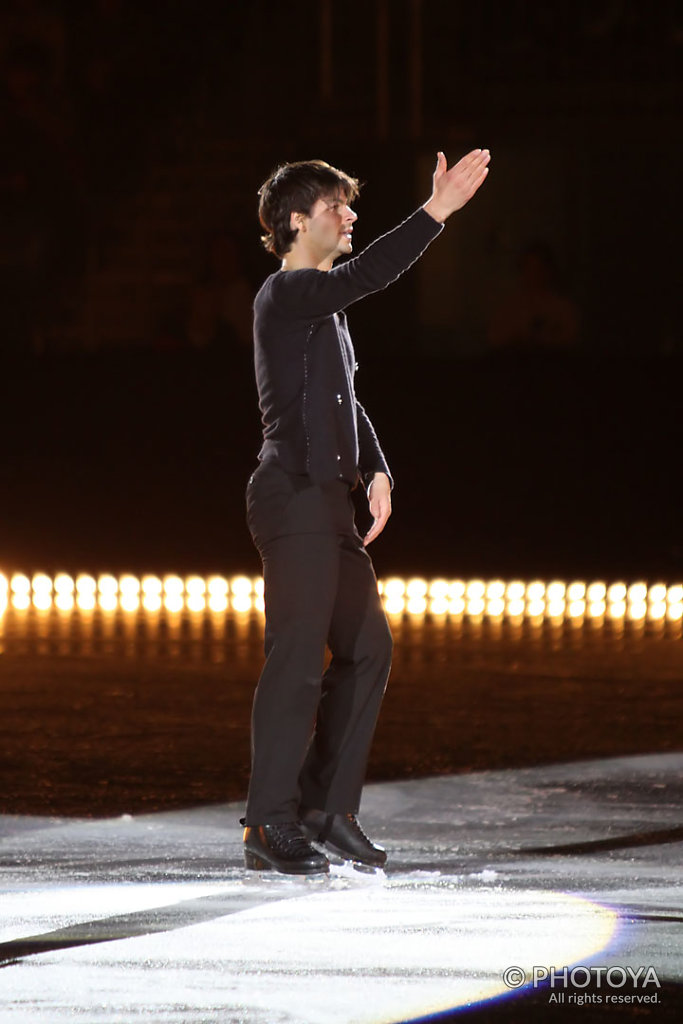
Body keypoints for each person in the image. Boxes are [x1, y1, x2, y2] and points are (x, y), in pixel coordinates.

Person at [242, 148, 491, 874]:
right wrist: (434, 213)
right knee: (295, 657)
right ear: (297, 223)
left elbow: (343, 397)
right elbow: (367, 275)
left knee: (368, 646)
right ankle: (267, 822)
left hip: (327, 499)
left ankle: (325, 809)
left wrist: (374, 464)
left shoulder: (321, 307)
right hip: (291, 496)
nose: (350, 216)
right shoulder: (287, 292)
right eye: (335, 208)